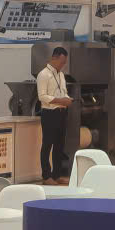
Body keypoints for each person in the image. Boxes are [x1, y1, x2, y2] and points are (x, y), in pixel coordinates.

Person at [35, 44, 76, 183]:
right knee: (47, 144)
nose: (63, 65)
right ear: (54, 58)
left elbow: (63, 91)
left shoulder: (61, 75)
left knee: (59, 145)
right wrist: (60, 100)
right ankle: (46, 176)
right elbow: (42, 96)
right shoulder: (43, 74)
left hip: (62, 112)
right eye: (61, 62)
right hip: (49, 113)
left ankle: (57, 174)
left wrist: (67, 99)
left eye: (65, 63)